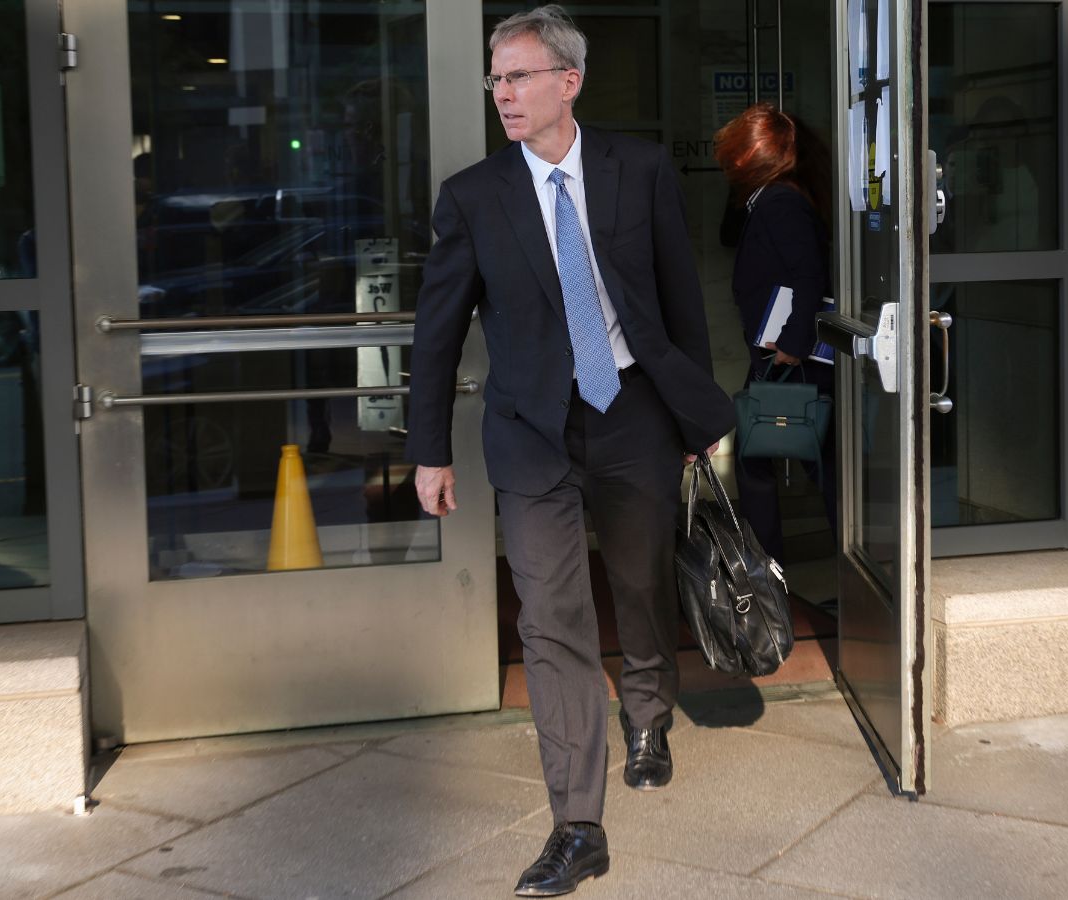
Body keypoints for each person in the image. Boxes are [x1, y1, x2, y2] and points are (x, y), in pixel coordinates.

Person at [403, 6, 732, 895]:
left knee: (638, 580)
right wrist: (427, 449)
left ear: (568, 81)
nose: (503, 94)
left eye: (518, 77)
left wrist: (697, 419)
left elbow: (679, 301)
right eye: (495, 80)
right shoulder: (474, 195)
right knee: (551, 619)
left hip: (632, 415)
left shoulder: (642, 169)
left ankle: (650, 713)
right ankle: (577, 824)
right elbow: (437, 333)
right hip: (529, 432)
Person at [713, 103, 837, 566]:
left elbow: (808, 275)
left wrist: (791, 343)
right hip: (784, 352)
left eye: (737, 151)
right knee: (809, 460)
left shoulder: (780, 201)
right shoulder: (775, 197)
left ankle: (767, 572)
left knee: (762, 458)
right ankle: (777, 566)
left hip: (787, 355)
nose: (732, 161)